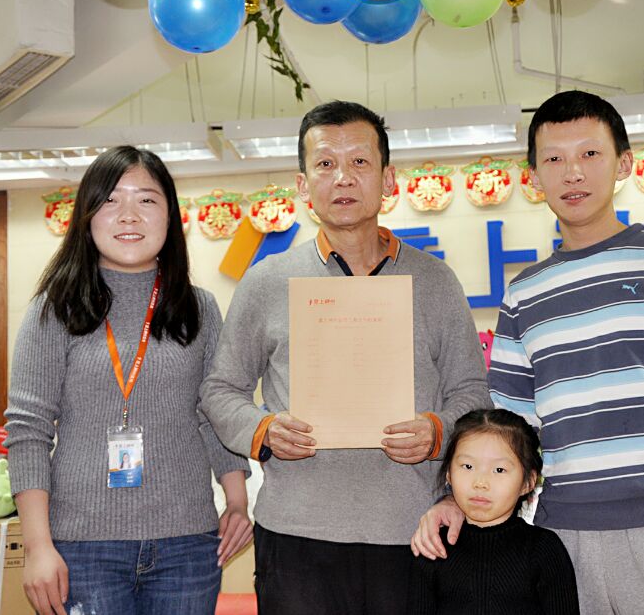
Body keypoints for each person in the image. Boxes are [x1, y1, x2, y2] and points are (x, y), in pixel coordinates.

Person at [411, 91, 644, 615]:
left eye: (590, 153)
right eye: (554, 159)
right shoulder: (524, 294)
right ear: (534, 177)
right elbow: (510, 434)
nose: (572, 172)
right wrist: (456, 498)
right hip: (565, 540)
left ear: (623, 163)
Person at [199, 100, 490, 615]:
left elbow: (471, 392)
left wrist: (438, 431)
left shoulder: (435, 281)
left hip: (411, 530)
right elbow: (220, 390)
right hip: (296, 533)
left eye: (359, 161)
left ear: (388, 178)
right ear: (302, 184)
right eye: (325, 164)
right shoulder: (267, 282)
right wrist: (264, 430)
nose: (343, 178)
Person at [4, 146, 252, 615]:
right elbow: (28, 431)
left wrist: (237, 502)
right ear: (87, 218)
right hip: (82, 548)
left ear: (170, 215)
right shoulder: (55, 309)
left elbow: (215, 411)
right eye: (111, 200)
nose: (129, 215)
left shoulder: (198, 308)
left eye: (147, 200)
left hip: (188, 545)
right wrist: (37, 546)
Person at [410, 408, 579, 614]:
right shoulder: (433, 547)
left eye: (499, 470)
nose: (480, 482)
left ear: (528, 482)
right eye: (467, 466)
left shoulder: (544, 548)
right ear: (449, 474)